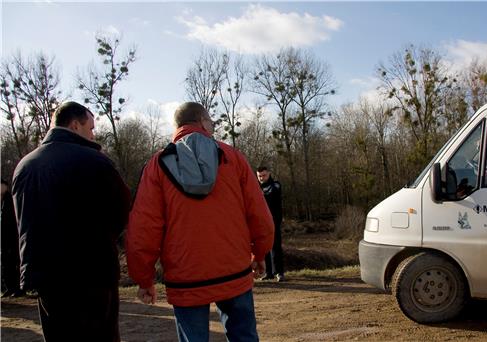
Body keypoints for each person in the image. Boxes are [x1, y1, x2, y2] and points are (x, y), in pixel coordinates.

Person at [126, 102, 274, 342]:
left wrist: (144, 278)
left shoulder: (157, 165)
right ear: (203, 122)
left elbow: (144, 228)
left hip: (185, 277)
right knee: (244, 337)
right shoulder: (232, 158)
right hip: (233, 270)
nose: (213, 128)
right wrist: (259, 254)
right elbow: (259, 216)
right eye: (212, 123)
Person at [11, 101, 130, 342]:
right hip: (91, 272)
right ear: (75, 125)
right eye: (91, 127)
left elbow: (21, 220)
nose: (93, 134)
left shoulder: (25, 166)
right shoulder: (94, 161)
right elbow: (122, 209)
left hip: (46, 276)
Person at [256, 166, 285, 282]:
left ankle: (279, 272)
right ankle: (268, 273)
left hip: (274, 221)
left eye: (264, 175)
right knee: (264, 248)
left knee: (276, 247)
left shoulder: (275, 185)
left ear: (269, 174)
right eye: (259, 176)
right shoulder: (255, 187)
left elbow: (272, 192)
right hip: (260, 223)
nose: (262, 178)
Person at [1, 179, 23, 298]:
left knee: (15, 261)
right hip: (3, 238)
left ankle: (18, 288)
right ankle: (10, 287)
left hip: (13, 236)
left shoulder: (10, 200)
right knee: (6, 263)